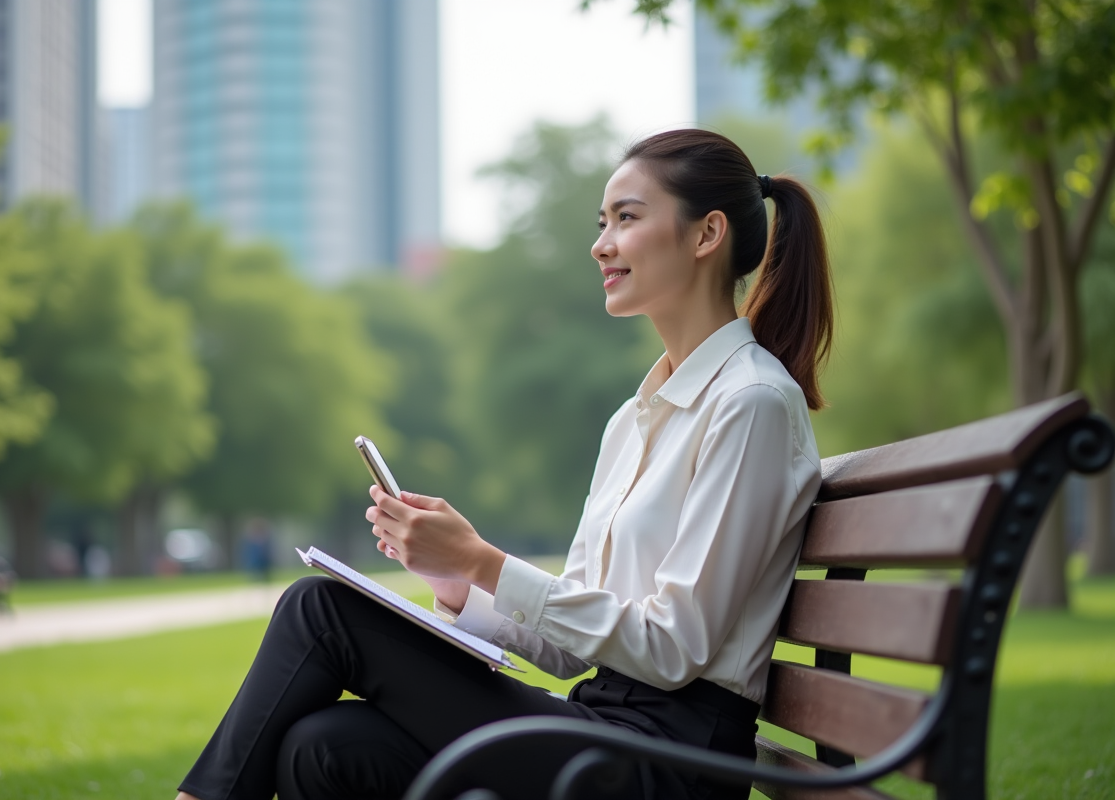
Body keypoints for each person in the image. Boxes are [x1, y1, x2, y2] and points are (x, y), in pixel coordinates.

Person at [175, 129, 832, 800]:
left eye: (627, 219)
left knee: (322, 610)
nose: (600, 244)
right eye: (601, 223)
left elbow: (675, 648)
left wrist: (484, 559)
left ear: (705, 235)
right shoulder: (633, 421)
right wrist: (458, 574)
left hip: (671, 764)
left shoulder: (751, 403)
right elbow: (576, 651)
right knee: (323, 749)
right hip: (605, 722)